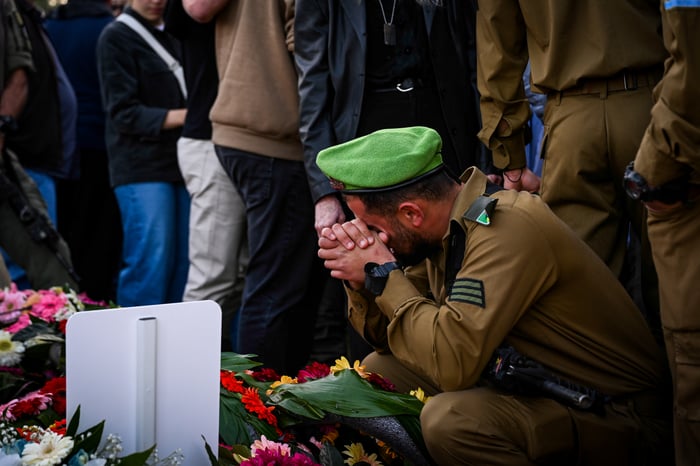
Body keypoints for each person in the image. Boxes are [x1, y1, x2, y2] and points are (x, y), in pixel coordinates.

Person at [315, 126, 673, 465]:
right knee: (380, 372)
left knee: (450, 421)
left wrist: (384, 273)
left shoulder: (505, 227)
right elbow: (389, 342)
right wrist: (363, 283)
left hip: (614, 413)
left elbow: (453, 364)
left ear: (412, 214)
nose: (376, 241)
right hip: (536, 388)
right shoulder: (445, 232)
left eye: (375, 229)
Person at [295, 0, 488, 361]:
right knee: (364, 264)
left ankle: (444, 359)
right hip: (362, 140)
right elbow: (312, 87)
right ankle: (377, 389)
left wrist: (488, 155)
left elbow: (474, 61)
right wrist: (324, 193)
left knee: (449, 254)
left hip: (441, 133)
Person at [475, 1, 667, 332]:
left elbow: (499, 50)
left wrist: (510, 159)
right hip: (651, 106)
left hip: (570, 119)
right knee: (673, 276)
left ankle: (608, 380)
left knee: (584, 288)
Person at [184, 0, 322, 375]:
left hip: (243, 134)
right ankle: (258, 410)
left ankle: (249, 401)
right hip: (272, 138)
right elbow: (311, 49)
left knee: (261, 280)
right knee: (274, 287)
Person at [625, 2, 700, 465]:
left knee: (691, 364)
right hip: (654, 113)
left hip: (680, 162)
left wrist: (652, 173)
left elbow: (691, 65)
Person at [165, 0, 247, 352]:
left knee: (239, 276)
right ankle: (183, 377)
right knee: (212, 276)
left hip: (240, 142)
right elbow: (199, 8)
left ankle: (217, 377)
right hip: (209, 142)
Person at [97, 0, 189, 306]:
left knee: (184, 264)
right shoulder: (115, 36)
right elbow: (122, 112)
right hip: (141, 167)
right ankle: (135, 349)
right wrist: (188, 116)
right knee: (151, 261)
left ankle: (175, 347)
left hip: (180, 163)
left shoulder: (175, 32)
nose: (156, 1)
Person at [44, 0, 122, 302]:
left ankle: (65, 304)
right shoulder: (109, 29)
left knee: (65, 234)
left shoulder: (49, 27)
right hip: (101, 148)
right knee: (102, 238)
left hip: (60, 150)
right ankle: (96, 303)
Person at [0, 0, 78, 291]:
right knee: (11, 283)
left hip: (22, 160)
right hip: (27, 156)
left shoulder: (20, 12)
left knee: (51, 264)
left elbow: (20, 75)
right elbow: (18, 77)